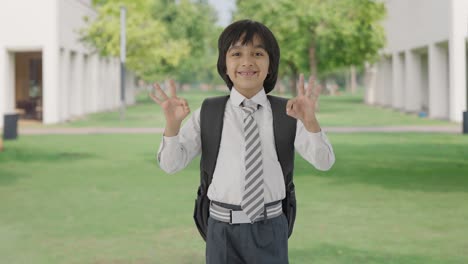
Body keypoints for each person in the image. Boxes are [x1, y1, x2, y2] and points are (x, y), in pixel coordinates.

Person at [150, 19, 335, 264]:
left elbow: (324, 163)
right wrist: (172, 126)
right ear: (224, 65)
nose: (247, 61)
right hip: (221, 230)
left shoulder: (288, 112)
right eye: (236, 53)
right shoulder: (209, 112)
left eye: (258, 53)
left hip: (270, 227)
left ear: (270, 65)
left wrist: (311, 122)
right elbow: (170, 165)